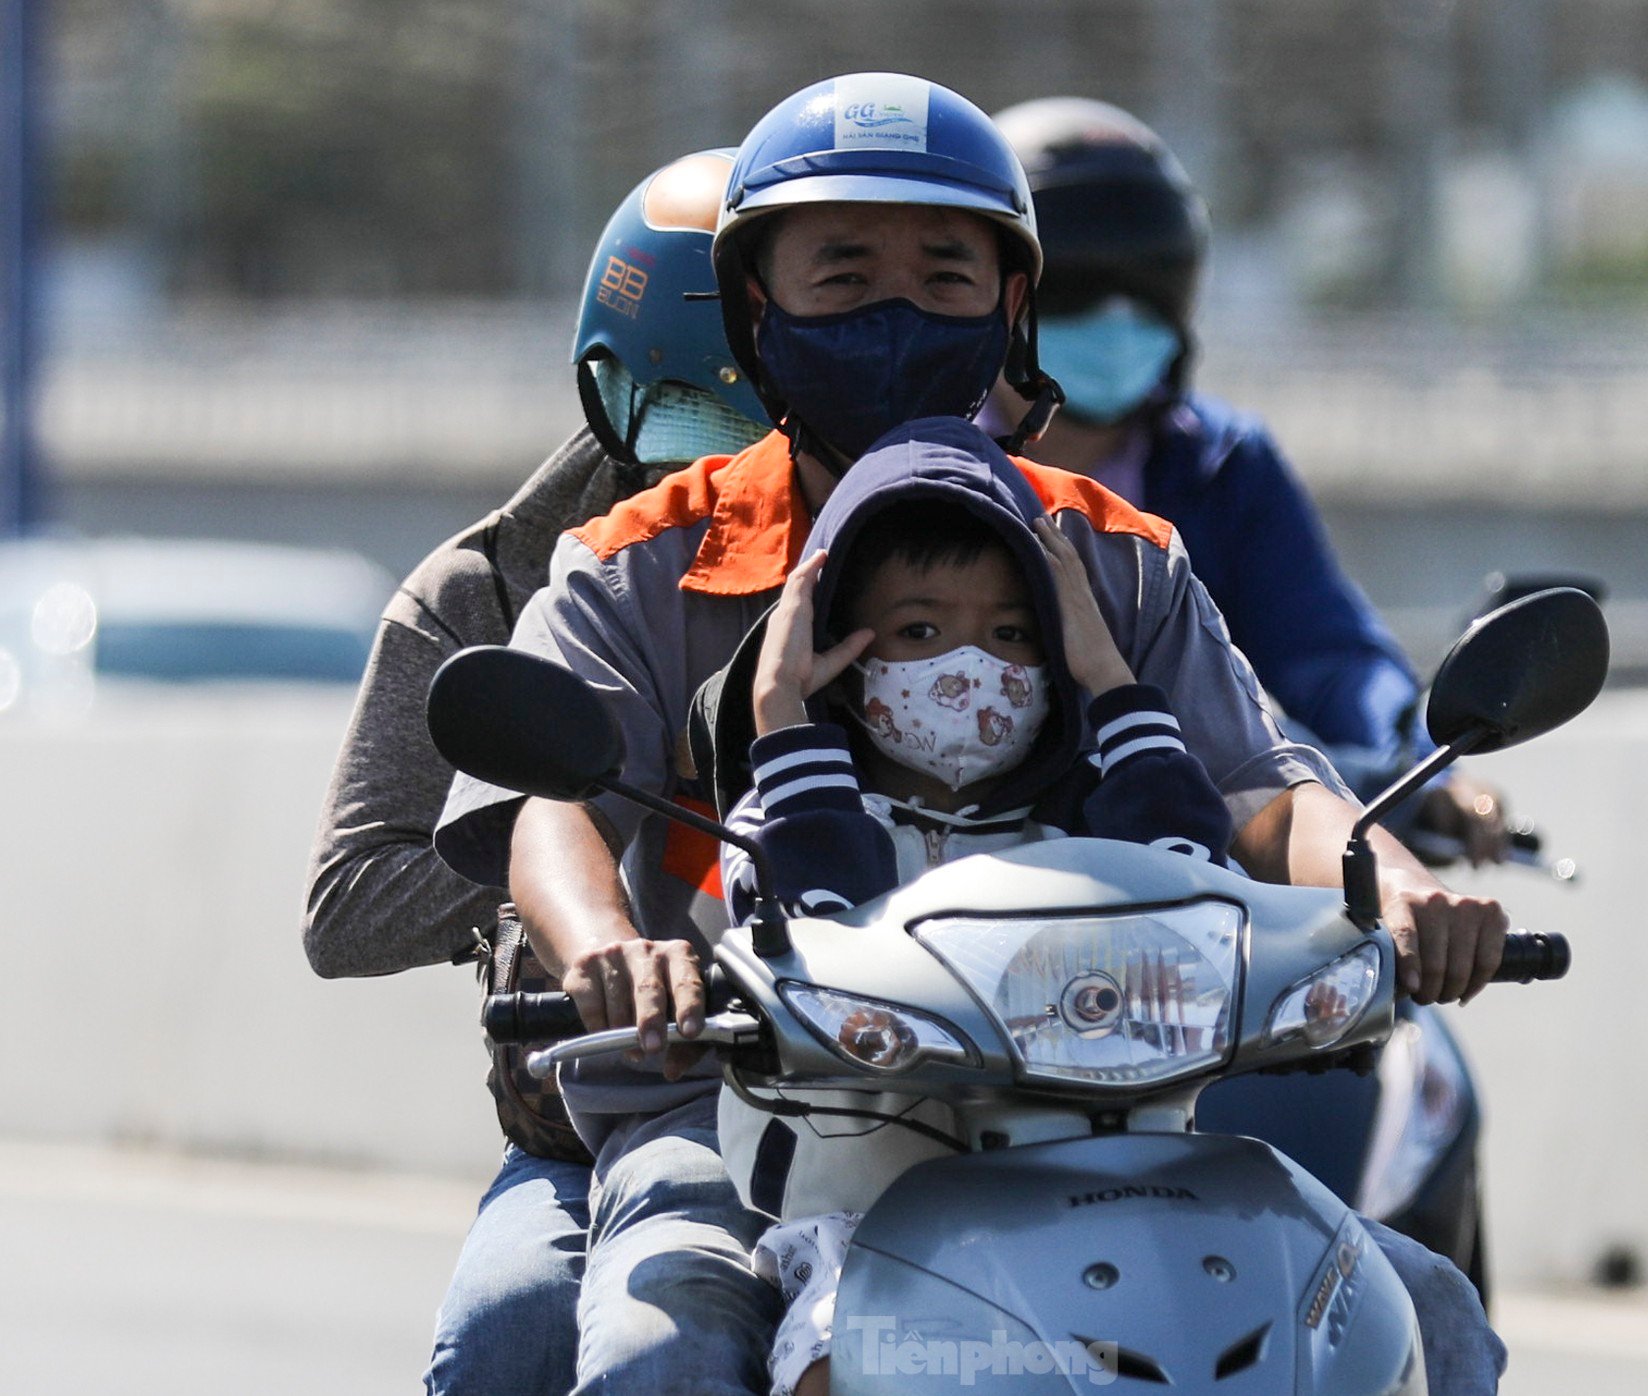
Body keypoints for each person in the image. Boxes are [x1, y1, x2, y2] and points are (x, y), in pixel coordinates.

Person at [435, 71, 1511, 1393]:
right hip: (743, 1121)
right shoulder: (638, 561)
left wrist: (1402, 896)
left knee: (1425, 1321)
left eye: (944, 274)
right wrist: (612, 954)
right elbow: (555, 805)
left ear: (1010, 306)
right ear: (757, 309)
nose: (895, 309)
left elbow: (1269, 790)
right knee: (636, 1354)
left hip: (1097, 1119)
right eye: (843, 272)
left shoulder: (1115, 556)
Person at [300, 149, 770, 1395]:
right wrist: (569, 842)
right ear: (601, 383)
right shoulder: (488, 587)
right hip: (601, 1100)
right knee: (511, 1330)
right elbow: (347, 903)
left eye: (749, 422)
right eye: (674, 418)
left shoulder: (920, 558)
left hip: (881, 1090)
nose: (706, 466)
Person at [990, 96, 1507, 860]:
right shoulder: (921, 468)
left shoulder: (1222, 464)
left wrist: (1420, 766)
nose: (1117, 313)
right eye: (1076, 283)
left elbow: (1326, 652)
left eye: (1147, 281)